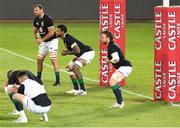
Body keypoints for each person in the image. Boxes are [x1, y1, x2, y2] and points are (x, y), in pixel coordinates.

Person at [56, 24, 95, 95]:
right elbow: (77, 51)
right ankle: (76, 88)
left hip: (88, 53)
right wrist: (67, 52)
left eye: (58, 31)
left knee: (75, 67)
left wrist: (67, 53)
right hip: (82, 54)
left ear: (62, 31)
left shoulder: (68, 38)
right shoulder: (65, 39)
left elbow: (77, 51)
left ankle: (83, 90)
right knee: (69, 67)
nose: (56, 32)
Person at [101, 31, 132, 108]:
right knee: (113, 82)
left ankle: (120, 103)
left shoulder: (111, 46)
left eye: (102, 37)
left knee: (112, 81)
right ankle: (119, 102)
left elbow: (116, 59)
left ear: (108, 38)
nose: (101, 39)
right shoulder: (111, 45)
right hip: (124, 67)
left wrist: (109, 61)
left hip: (125, 67)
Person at [33, 4, 60, 86]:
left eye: (36, 10)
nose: (35, 12)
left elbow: (51, 33)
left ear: (41, 10)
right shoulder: (36, 20)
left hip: (52, 41)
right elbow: (34, 30)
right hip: (44, 42)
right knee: (39, 60)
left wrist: (41, 39)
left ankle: (58, 81)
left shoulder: (48, 19)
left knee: (53, 59)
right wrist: (37, 38)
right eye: (34, 11)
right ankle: (38, 79)